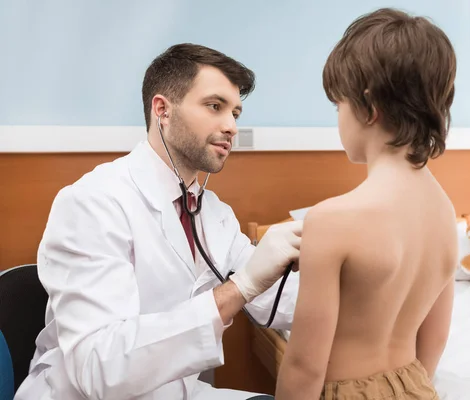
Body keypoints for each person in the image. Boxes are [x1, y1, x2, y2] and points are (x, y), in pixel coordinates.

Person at [15, 43, 302, 400]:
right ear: (162, 110)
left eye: (236, 114)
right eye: (215, 106)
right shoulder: (92, 203)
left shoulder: (213, 213)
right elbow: (100, 370)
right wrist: (239, 288)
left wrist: (352, 272)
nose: (230, 127)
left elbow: (279, 301)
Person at [275, 8, 458, 400]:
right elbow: (436, 337)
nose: (338, 118)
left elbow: (306, 365)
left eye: (337, 105)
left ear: (369, 107)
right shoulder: (444, 210)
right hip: (414, 385)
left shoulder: (332, 220)